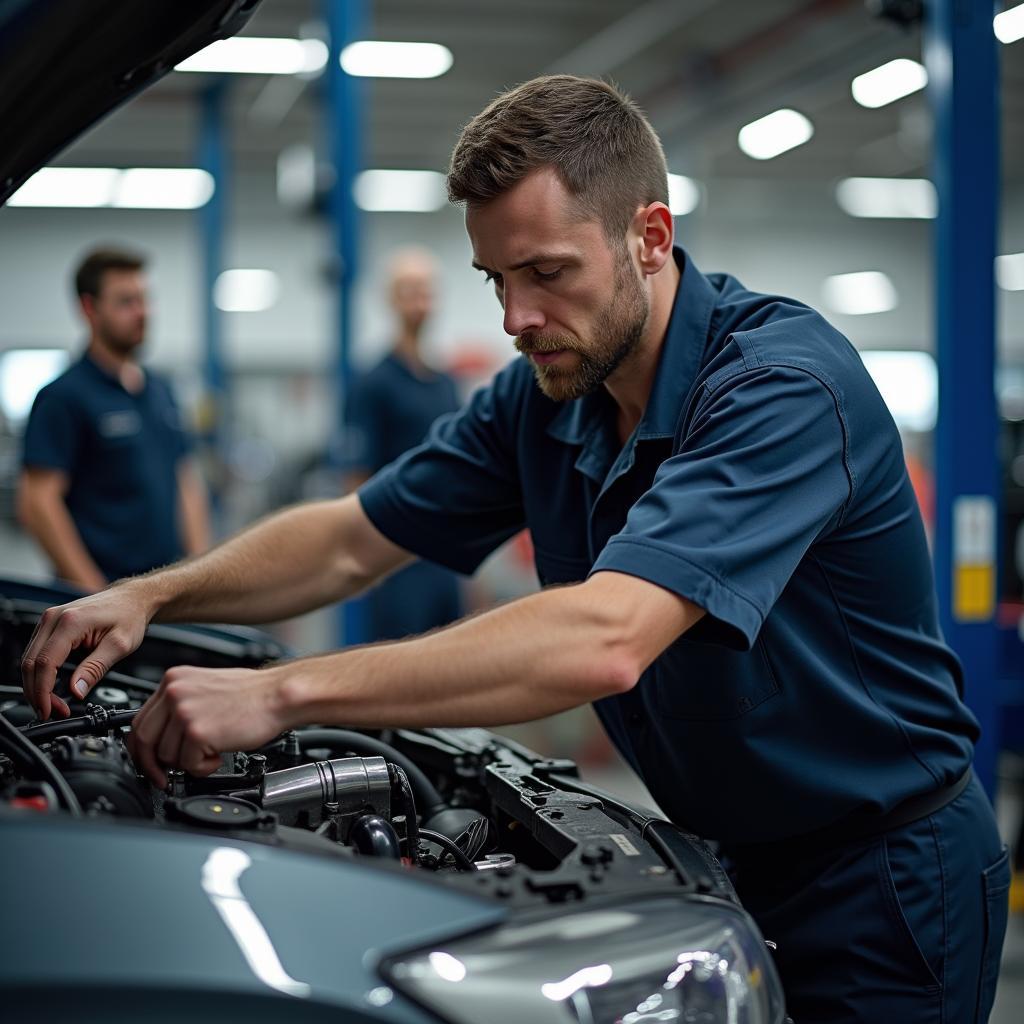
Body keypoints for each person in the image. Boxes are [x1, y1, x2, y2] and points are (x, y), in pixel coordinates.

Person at [22, 77, 1007, 1022]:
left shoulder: (779, 388)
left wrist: (280, 691)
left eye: (546, 273)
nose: (514, 318)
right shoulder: (546, 395)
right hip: (734, 851)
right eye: (496, 278)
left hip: (883, 873)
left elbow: (605, 636)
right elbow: (347, 540)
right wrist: (149, 595)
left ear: (649, 238)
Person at [17, 247, 210, 591]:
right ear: (89, 309)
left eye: (144, 299)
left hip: (166, 597)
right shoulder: (63, 397)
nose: (142, 313)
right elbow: (38, 503)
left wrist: (197, 573)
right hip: (105, 602)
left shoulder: (161, 390)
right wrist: (95, 596)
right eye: (126, 302)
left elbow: (184, 480)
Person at [342, 247, 463, 640]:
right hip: (395, 559)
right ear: (392, 299)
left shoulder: (444, 384)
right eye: (410, 290)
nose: (420, 301)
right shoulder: (373, 383)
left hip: (444, 556)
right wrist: (364, 561)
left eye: (427, 290)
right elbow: (356, 478)